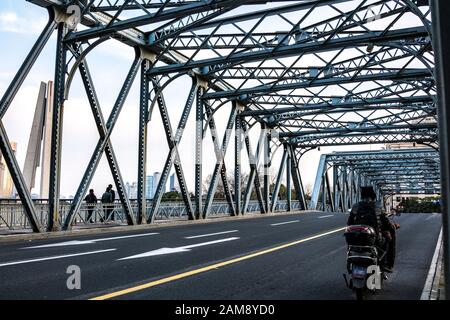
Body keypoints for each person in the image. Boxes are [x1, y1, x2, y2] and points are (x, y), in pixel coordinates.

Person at [347, 186, 400, 273]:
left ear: (362, 195)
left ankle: (350, 262)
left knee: (351, 240)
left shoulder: (355, 206)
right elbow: (387, 224)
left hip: (357, 239)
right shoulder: (378, 207)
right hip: (374, 239)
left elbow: (349, 223)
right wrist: (393, 226)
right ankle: (387, 264)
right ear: (373, 195)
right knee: (388, 238)